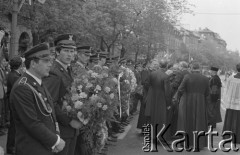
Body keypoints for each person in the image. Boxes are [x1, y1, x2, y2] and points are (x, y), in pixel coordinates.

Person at [10, 43, 65, 155]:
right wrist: (55, 141)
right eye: (46, 61)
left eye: (50, 60)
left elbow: (50, 114)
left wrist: (55, 137)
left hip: (45, 146)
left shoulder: (38, 82)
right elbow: (32, 123)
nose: (50, 64)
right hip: (32, 149)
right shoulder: (23, 87)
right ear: (33, 63)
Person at [43, 34, 82, 155]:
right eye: (66, 51)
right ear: (57, 52)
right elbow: (50, 102)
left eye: (72, 51)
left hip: (71, 129)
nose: (70, 54)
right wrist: (69, 121)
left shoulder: (68, 69)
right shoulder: (54, 72)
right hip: (62, 129)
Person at [176, 62, 209, 150]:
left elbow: (180, 89)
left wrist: (182, 96)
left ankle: (185, 142)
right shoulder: (206, 78)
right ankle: (199, 142)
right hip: (201, 102)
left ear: (191, 68)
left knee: (186, 121)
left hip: (188, 101)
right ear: (200, 68)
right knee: (199, 122)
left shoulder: (187, 76)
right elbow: (208, 93)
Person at [144, 59, 171, 146]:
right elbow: (167, 92)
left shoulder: (152, 73)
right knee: (160, 118)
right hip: (161, 98)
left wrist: (151, 91)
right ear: (166, 66)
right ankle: (159, 137)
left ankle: (150, 136)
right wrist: (168, 103)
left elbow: (146, 83)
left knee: (151, 117)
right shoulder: (166, 76)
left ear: (159, 65)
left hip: (152, 96)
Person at [6, 56, 22, 154]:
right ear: (19, 65)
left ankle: (11, 146)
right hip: (14, 104)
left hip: (12, 103)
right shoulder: (15, 77)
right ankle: (11, 147)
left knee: (13, 126)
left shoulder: (12, 74)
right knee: (13, 127)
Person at [222, 63, 240, 144]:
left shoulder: (230, 78)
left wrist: (226, 101)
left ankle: (227, 136)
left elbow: (226, 90)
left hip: (231, 103)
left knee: (230, 118)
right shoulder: (230, 78)